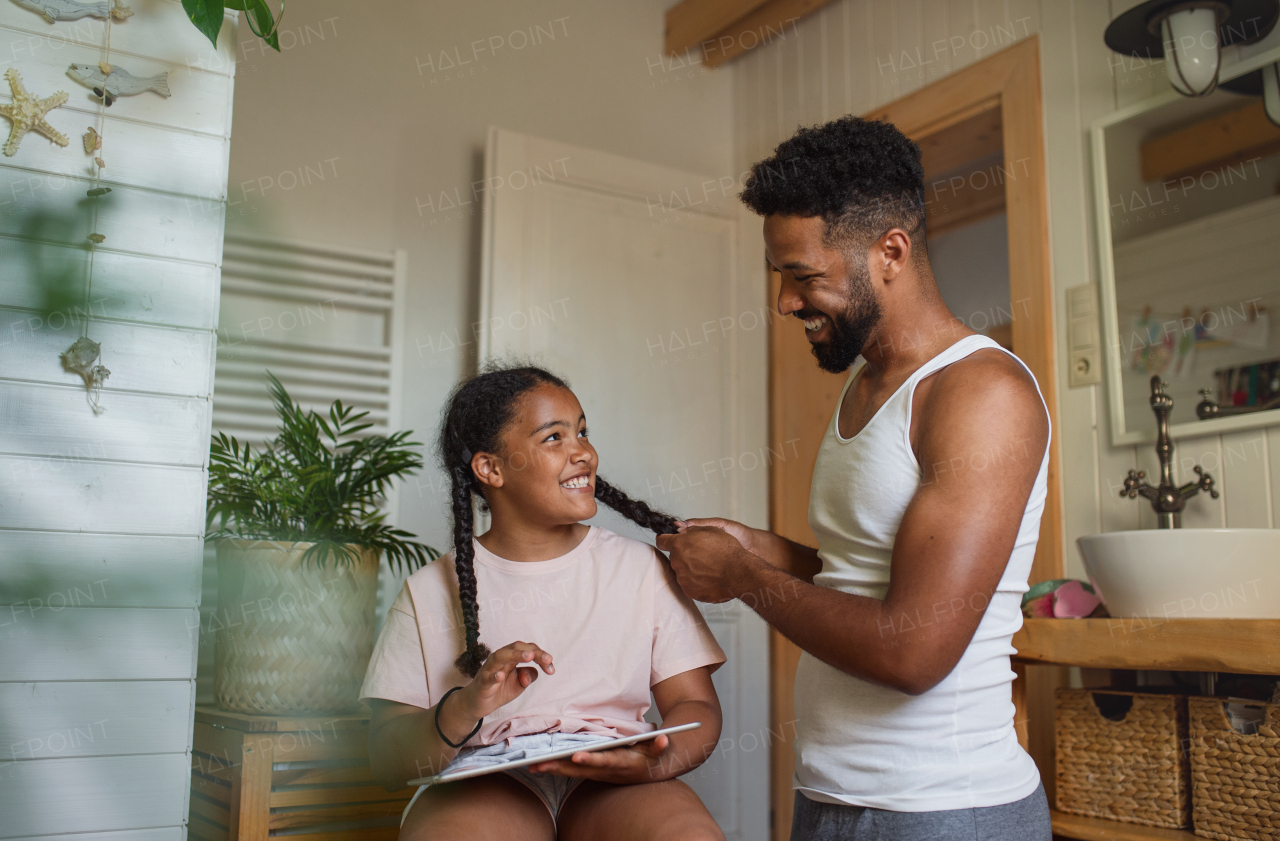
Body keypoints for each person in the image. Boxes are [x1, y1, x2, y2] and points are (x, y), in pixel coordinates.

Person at [656, 115, 1054, 841]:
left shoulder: (981, 395)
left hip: (943, 811)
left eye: (803, 276)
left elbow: (912, 648)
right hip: (835, 799)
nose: (784, 302)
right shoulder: (866, 385)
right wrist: (762, 548)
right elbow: (864, 580)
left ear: (890, 252)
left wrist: (745, 577)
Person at [361, 365, 727, 841]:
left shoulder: (640, 569)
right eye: (554, 437)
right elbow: (387, 759)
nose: (584, 452)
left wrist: (650, 762)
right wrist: (465, 705)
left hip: (614, 775)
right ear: (491, 469)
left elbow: (696, 707)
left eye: (582, 432)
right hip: (488, 779)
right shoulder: (429, 589)